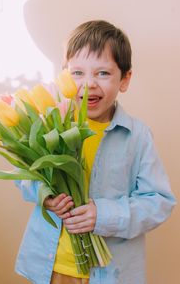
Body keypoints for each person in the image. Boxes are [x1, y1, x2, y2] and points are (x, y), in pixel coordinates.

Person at [15, 20, 176, 284]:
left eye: (103, 73)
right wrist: (44, 196)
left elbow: (159, 202)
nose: (88, 84)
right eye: (77, 73)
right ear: (64, 74)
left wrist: (103, 215)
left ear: (125, 79)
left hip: (110, 273)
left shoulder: (137, 136)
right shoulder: (48, 123)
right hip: (51, 266)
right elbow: (26, 176)